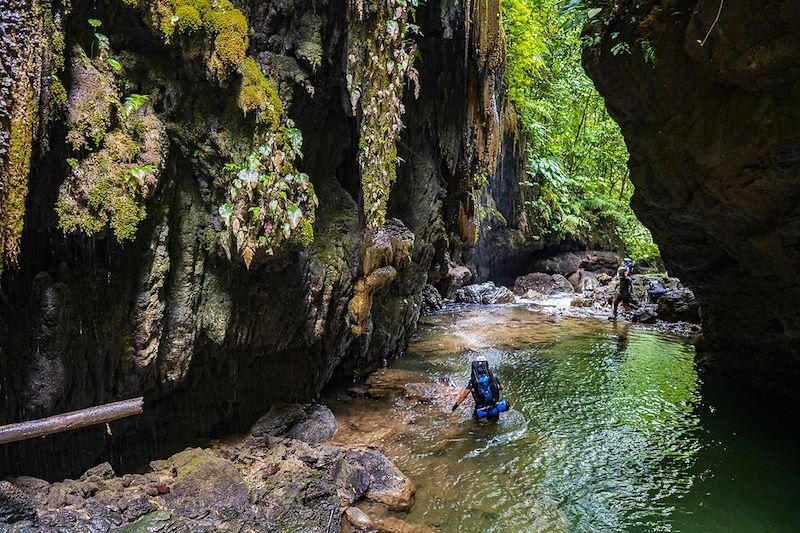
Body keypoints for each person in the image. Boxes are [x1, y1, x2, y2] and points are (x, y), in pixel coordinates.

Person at [451, 356, 509, 422]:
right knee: (494, 420)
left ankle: (478, 426)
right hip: (494, 404)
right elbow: (501, 387)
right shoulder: (492, 377)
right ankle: (493, 427)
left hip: (481, 407)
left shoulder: (473, 381)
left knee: (474, 419)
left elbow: (464, 396)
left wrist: (455, 406)